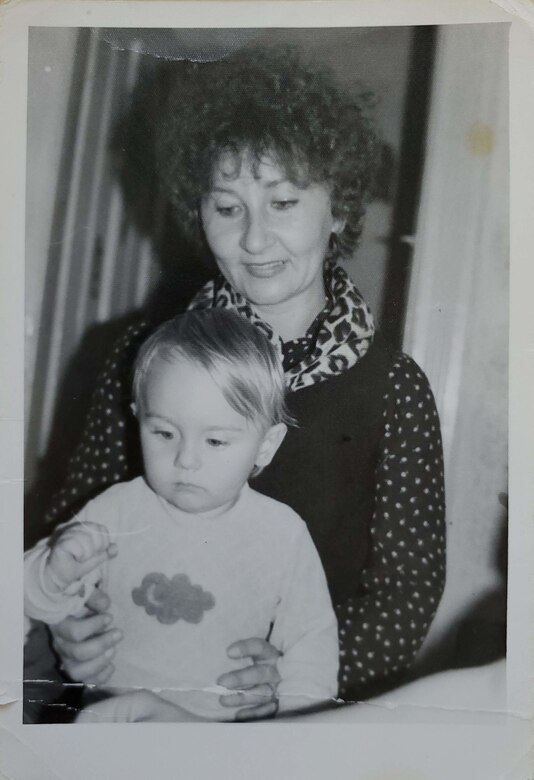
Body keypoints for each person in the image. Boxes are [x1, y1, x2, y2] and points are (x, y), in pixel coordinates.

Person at [25, 44, 446, 722]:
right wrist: (69, 623)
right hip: (133, 709)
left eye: (282, 201)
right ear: (201, 215)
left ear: (337, 209)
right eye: (228, 208)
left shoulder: (396, 389)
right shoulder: (141, 356)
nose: (255, 240)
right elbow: (75, 520)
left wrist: (298, 677)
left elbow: (405, 595)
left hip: (301, 729)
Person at [24, 310, 339, 721]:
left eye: (214, 440)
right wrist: (53, 572)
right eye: (164, 434)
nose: (186, 459)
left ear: (266, 446)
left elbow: (311, 650)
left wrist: (291, 730)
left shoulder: (283, 534)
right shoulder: (115, 510)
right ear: (137, 418)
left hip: (221, 736)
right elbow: (25, 594)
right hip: (111, 724)